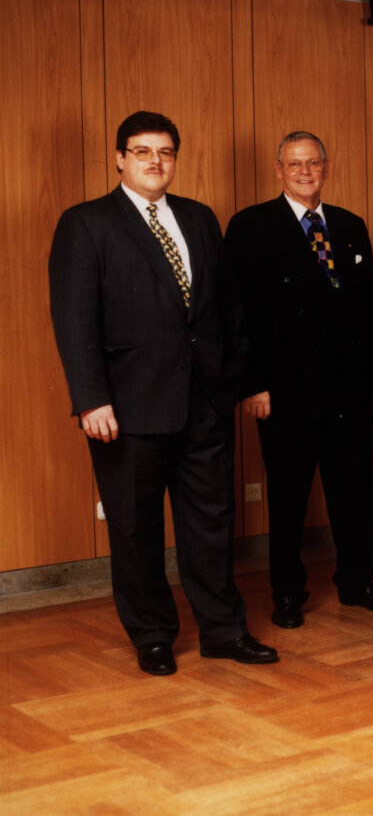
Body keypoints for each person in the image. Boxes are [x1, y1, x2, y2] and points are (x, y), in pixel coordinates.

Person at [48, 111, 277, 676]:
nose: (156, 161)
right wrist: (90, 398)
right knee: (134, 527)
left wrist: (238, 381)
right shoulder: (86, 223)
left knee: (211, 523)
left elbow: (228, 310)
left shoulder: (199, 219)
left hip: (204, 402)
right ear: (120, 158)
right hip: (127, 407)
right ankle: (152, 635)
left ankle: (224, 632)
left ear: (176, 158)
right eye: (143, 151)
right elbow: (75, 319)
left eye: (166, 151)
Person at [223, 131, 373, 629]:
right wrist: (251, 385)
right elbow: (237, 314)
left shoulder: (349, 225)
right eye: (294, 164)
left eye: (313, 163)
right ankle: (287, 592)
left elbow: (369, 308)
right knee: (288, 496)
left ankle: (359, 580)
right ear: (278, 169)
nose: (304, 172)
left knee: (357, 490)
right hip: (284, 393)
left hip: (354, 392)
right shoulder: (251, 226)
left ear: (326, 167)